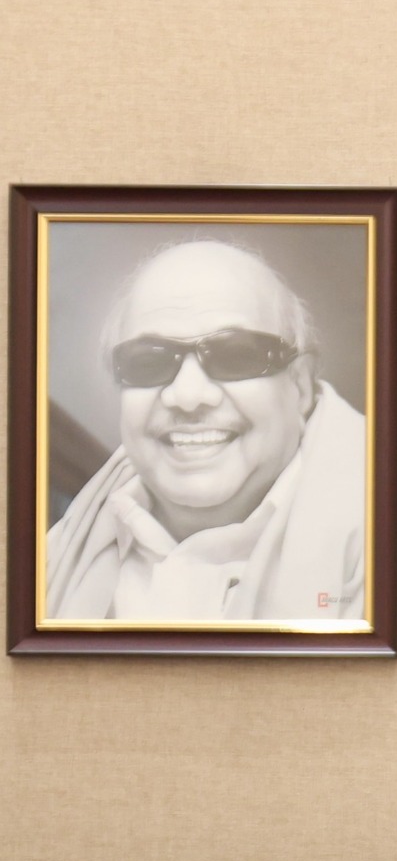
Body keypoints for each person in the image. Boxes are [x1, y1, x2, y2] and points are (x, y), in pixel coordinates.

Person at [43, 238, 367, 625]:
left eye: (236, 355)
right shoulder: (50, 558)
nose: (188, 396)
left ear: (300, 386)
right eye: (148, 361)